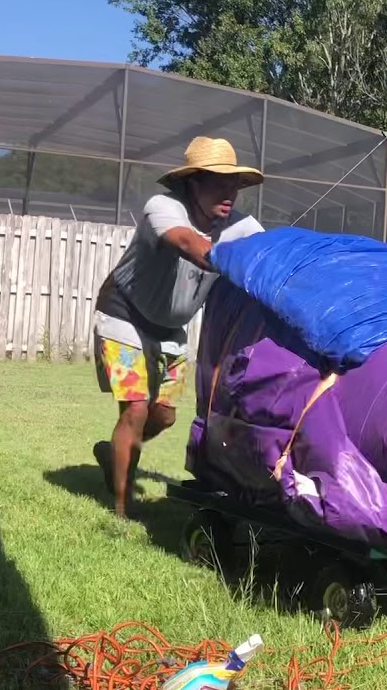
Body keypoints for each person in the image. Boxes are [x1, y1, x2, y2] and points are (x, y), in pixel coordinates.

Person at [91, 136, 265, 517]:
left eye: (234, 184)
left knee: (164, 415)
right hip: (124, 315)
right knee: (135, 409)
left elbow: (270, 255)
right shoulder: (164, 207)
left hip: (171, 328)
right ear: (192, 183)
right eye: (219, 183)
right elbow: (188, 243)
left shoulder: (243, 227)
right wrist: (238, 261)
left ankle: (114, 452)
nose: (229, 193)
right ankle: (121, 508)